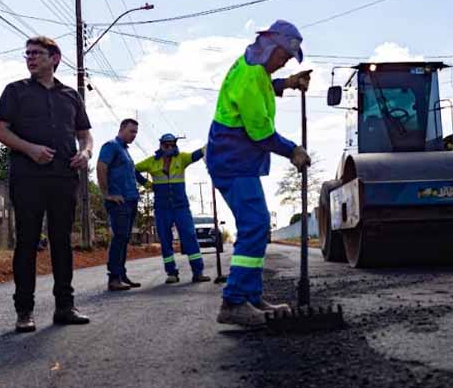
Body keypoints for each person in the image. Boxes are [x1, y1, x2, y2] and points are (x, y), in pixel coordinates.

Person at [206, 20, 311, 327]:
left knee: (256, 224)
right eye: (285, 57)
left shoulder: (253, 64)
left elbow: (265, 83)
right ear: (272, 46)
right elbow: (261, 134)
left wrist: (287, 83)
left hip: (236, 160)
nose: (285, 63)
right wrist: (293, 150)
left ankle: (250, 297)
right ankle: (234, 302)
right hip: (233, 161)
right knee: (255, 224)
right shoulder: (252, 76)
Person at [0, 36, 93, 332]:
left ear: (55, 58)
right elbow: (0, 131)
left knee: (62, 241)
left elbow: (84, 133)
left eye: (37, 53)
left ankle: (65, 306)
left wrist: (85, 152)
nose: (30, 58)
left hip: (64, 177)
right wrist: (30, 149)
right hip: (28, 178)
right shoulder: (15, 91)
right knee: (27, 242)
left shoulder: (71, 96)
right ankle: (24, 311)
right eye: (27, 54)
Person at [135, 134, 212, 285]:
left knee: (189, 237)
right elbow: (134, 169)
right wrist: (146, 184)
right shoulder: (152, 162)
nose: (169, 148)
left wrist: (209, 145)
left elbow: (196, 155)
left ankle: (198, 272)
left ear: (175, 145)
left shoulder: (181, 158)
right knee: (165, 240)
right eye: (166, 145)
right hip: (162, 208)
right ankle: (171, 273)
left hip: (181, 206)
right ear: (161, 145)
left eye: (172, 145)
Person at [97, 119, 144, 291]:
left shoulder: (125, 151)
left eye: (136, 133)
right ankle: (114, 278)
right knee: (119, 238)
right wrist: (107, 194)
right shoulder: (111, 146)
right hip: (118, 202)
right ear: (122, 129)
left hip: (130, 201)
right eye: (131, 131)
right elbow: (101, 167)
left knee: (124, 239)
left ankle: (122, 275)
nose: (134, 135)